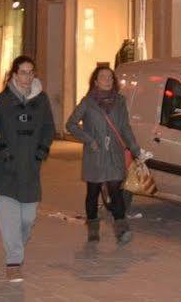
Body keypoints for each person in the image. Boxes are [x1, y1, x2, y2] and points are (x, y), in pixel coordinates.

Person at [0, 55, 56, 284]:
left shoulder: (42, 99)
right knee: (9, 220)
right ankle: (13, 263)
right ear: (14, 74)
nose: (28, 77)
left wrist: (42, 151)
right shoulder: (2, 100)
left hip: (31, 169)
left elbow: (49, 127)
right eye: (23, 72)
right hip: (6, 171)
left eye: (31, 72)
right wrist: (4, 153)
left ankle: (15, 249)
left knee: (27, 219)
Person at [65, 62, 142, 245]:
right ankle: (93, 229)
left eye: (110, 77)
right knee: (93, 192)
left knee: (116, 190)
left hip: (114, 154)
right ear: (95, 81)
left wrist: (135, 148)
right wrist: (89, 140)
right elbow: (71, 124)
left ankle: (122, 229)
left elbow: (124, 127)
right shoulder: (88, 102)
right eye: (103, 77)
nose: (107, 80)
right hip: (95, 155)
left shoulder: (120, 101)